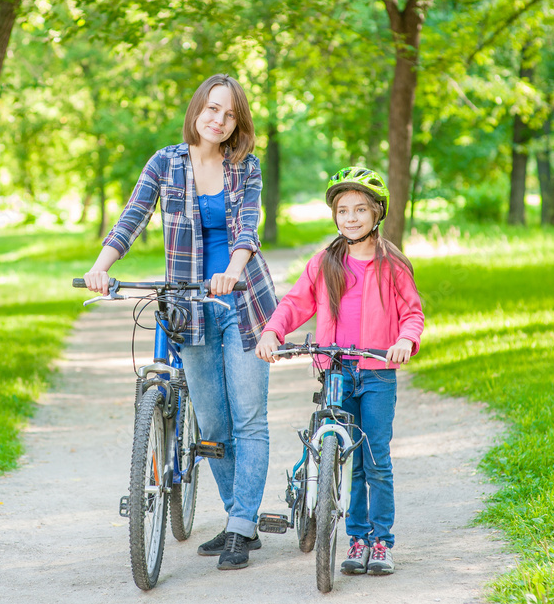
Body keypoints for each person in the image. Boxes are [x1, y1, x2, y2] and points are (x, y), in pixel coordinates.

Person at [83, 74, 278, 570]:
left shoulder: (244, 167)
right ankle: (242, 518)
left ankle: (240, 525)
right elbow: (133, 216)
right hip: (188, 305)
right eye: (212, 108)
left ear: (237, 122)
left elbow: (246, 228)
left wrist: (230, 275)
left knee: (249, 415)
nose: (218, 118)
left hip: (242, 301)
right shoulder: (166, 161)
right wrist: (101, 267)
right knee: (213, 422)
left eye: (229, 113)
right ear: (197, 110)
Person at [255, 166, 424, 576]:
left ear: (377, 213)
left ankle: (381, 542)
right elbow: (295, 302)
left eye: (360, 210)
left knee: (375, 459)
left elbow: (412, 314)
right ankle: (356, 536)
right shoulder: (325, 262)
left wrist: (404, 340)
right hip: (336, 371)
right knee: (345, 456)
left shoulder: (392, 265)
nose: (351, 217)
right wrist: (273, 331)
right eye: (343, 210)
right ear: (334, 215)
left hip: (377, 373)